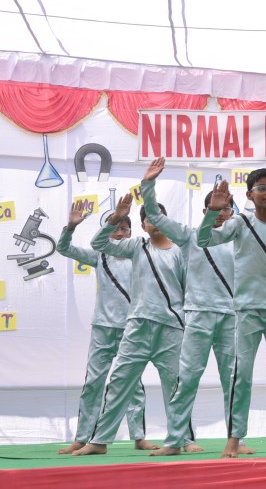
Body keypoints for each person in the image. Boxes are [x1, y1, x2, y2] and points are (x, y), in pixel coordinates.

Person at [137, 158, 253, 457]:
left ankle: (236, 439)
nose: (222, 213)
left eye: (227, 209)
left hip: (231, 317)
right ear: (206, 211)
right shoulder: (189, 236)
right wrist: (148, 184)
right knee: (187, 378)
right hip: (198, 315)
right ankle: (175, 440)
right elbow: (155, 216)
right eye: (217, 208)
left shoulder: (240, 241)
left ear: (233, 213)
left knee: (234, 380)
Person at [198, 169, 266, 459]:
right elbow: (204, 240)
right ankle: (234, 438)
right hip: (247, 309)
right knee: (241, 375)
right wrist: (213, 212)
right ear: (249, 195)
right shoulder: (240, 222)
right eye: (261, 188)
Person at [72, 193, 187, 456]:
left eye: (159, 216)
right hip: (137, 325)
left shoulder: (181, 251)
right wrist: (115, 219)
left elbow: (187, 289)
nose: (154, 221)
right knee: (120, 381)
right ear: (144, 225)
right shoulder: (136, 247)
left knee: (175, 384)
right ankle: (100, 441)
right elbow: (99, 243)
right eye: (149, 218)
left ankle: (177, 441)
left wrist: (184, 322)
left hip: (170, 327)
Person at [56, 202, 156, 454]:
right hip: (103, 328)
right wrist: (71, 227)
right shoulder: (99, 256)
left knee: (133, 385)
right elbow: (63, 248)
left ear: (131, 233)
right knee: (93, 383)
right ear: (107, 232)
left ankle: (139, 437)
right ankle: (82, 437)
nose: (120, 233)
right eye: (115, 229)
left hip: (132, 328)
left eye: (125, 229)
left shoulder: (140, 257)